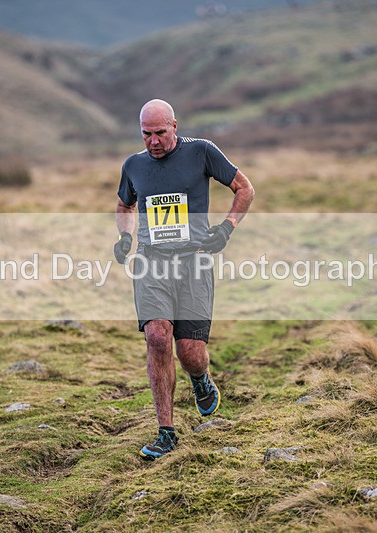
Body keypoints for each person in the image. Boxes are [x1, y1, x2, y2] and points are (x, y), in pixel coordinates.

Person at [113, 99, 254, 460]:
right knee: (158, 336)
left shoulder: (202, 152)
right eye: (146, 134)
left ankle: (200, 379)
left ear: (175, 126)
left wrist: (226, 228)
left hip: (193, 261)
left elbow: (244, 188)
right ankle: (166, 431)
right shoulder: (133, 165)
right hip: (151, 262)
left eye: (160, 132)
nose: (154, 141)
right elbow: (125, 206)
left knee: (190, 353)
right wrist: (126, 237)